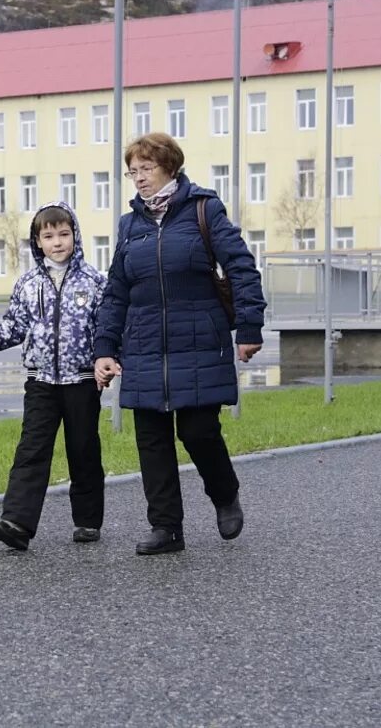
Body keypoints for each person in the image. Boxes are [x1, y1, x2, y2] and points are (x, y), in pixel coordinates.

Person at [94, 132, 266, 555]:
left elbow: (241, 267)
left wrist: (249, 329)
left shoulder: (204, 209)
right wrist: (104, 348)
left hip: (199, 341)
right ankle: (166, 527)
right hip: (145, 345)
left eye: (146, 169)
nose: (138, 178)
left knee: (199, 430)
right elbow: (116, 292)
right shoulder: (129, 225)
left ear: (170, 166)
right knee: (151, 439)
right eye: (132, 172)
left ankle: (224, 494)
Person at [0, 202, 107, 551]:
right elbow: (13, 328)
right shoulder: (27, 284)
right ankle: (17, 521)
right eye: (48, 236)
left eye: (63, 234)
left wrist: (110, 358)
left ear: (75, 236)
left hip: (82, 381)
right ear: (37, 242)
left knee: (83, 449)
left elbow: (107, 329)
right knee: (31, 449)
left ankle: (87, 521)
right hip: (40, 382)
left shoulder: (95, 281)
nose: (57, 242)